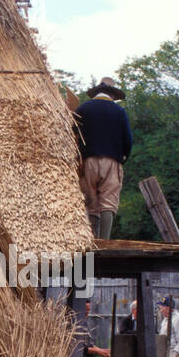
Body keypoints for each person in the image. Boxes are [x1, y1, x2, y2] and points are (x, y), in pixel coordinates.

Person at [73, 77, 133, 239]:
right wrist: (123, 157)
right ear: (112, 95)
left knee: (92, 203)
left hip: (88, 162)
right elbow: (128, 139)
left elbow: (72, 133)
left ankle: (92, 240)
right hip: (112, 161)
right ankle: (104, 242)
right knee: (108, 202)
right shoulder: (119, 111)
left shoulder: (83, 109)